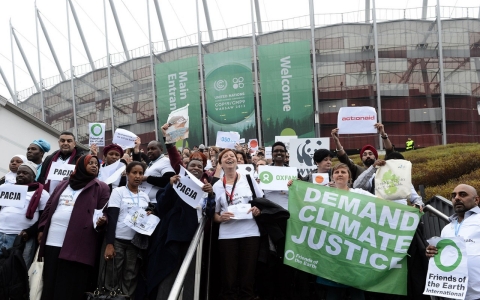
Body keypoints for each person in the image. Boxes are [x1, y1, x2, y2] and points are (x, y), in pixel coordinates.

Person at [38, 155, 110, 300]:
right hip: (53, 239)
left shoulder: (101, 187)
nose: (94, 166)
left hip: (78, 244)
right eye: (90, 163)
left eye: (96, 164)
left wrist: (103, 220)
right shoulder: (63, 184)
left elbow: (105, 211)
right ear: (80, 165)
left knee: (68, 287)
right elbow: (49, 206)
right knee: (50, 283)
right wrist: (42, 228)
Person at [147, 152, 216, 299]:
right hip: (172, 237)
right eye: (193, 165)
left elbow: (209, 213)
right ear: (187, 168)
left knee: (190, 275)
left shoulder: (206, 188)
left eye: (200, 166)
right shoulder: (175, 182)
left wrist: (211, 196)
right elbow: (162, 206)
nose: (196, 168)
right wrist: (170, 186)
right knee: (167, 273)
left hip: (195, 238)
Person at [213, 149, 262, 300]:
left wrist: (257, 209)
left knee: (248, 276)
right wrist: (220, 218)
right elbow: (213, 214)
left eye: (232, 156)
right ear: (220, 164)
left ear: (237, 160)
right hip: (227, 235)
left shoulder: (248, 179)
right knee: (229, 278)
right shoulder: (216, 186)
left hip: (250, 233)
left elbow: (261, 202)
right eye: (225, 156)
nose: (229, 158)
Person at [102, 161, 150, 298]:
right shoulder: (118, 192)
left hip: (135, 243)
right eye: (134, 172)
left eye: (141, 173)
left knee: (130, 276)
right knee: (112, 275)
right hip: (117, 240)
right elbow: (112, 218)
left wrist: (149, 215)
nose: (137, 176)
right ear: (127, 174)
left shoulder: (145, 197)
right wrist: (109, 243)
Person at [426, 184, 480, 300]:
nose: (457, 198)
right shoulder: (447, 228)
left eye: (463, 194)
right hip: (452, 293)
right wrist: (433, 253)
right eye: (453, 195)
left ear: (476, 200)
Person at [0, 161, 49, 268]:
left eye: (25, 173)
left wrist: (29, 232)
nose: (21, 175)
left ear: (33, 176)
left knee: (15, 273)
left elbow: (44, 218)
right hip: (1, 233)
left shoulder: (42, 193)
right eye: (19, 173)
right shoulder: (6, 188)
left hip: (20, 238)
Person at [353, 151, 424, 208]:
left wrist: (417, 205)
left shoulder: (404, 180)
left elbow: (416, 199)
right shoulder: (375, 177)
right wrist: (373, 167)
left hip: (399, 217)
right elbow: (357, 186)